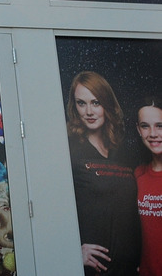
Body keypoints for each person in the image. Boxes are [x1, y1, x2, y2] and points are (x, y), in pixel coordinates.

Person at [65, 71, 140, 275]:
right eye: (82, 103)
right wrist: (73, 249)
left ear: (107, 104)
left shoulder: (123, 150)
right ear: (75, 106)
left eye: (95, 102)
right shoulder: (68, 150)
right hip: (95, 271)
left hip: (130, 269)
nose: (89, 111)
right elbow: (47, 207)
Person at [134, 96, 162, 276]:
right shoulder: (138, 174)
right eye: (145, 126)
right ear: (138, 130)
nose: (153, 133)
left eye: (160, 126)